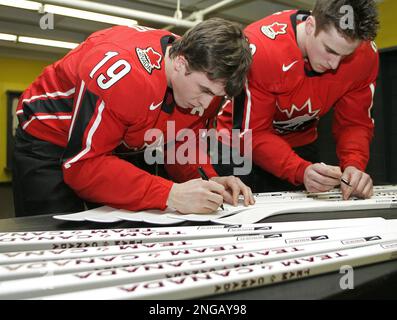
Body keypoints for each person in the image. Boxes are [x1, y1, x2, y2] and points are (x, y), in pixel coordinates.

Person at [13, 18, 254, 217]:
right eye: (204, 91)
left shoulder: (200, 75)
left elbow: (178, 140)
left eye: (216, 96)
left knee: (125, 234)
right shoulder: (125, 74)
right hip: (50, 139)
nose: (204, 106)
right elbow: (82, 167)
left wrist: (210, 180)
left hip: (115, 143)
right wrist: (170, 193)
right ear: (181, 63)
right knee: (58, 237)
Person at [214, 0, 379, 200]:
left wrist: (354, 164)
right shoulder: (262, 49)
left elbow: (355, 122)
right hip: (237, 146)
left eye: (345, 56)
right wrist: (299, 170)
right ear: (310, 26)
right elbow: (253, 133)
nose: (335, 64)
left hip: (300, 145)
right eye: (330, 50)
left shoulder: (365, 56)